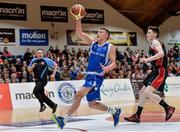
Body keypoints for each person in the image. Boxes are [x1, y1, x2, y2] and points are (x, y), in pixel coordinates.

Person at [52, 17, 121, 129]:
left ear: (106, 36)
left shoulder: (110, 47)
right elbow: (79, 33)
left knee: (79, 94)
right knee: (92, 104)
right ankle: (114, 111)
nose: (98, 33)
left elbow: (114, 64)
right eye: (98, 32)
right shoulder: (93, 43)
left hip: (97, 76)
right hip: (89, 75)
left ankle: (63, 120)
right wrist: (78, 18)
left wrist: (106, 68)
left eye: (101, 32)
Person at [124, 26, 175, 123]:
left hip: (160, 71)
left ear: (155, 34)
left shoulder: (155, 42)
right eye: (147, 32)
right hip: (156, 70)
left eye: (149, 32)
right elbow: (157, 58)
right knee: (142, 92)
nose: (147, 34)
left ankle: (168, 108)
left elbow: (161, 54)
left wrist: (147, 59)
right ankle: (137, 116)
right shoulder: (153, 44)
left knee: (147, 92)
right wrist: (143, 60)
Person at [28, 49, 58, 113]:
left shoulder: (46, 60)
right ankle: (53, 105)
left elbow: (55, 65)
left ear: (43, 54)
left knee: (35, 91)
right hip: (37, 80)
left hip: (43, 80)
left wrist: (53, 74)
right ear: (36, 54)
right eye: (38, 53)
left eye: (41, 53)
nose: (40, 54)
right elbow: (29, 70)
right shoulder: (33, 60)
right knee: (42, 95)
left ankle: (42, 105)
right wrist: (32, 67)